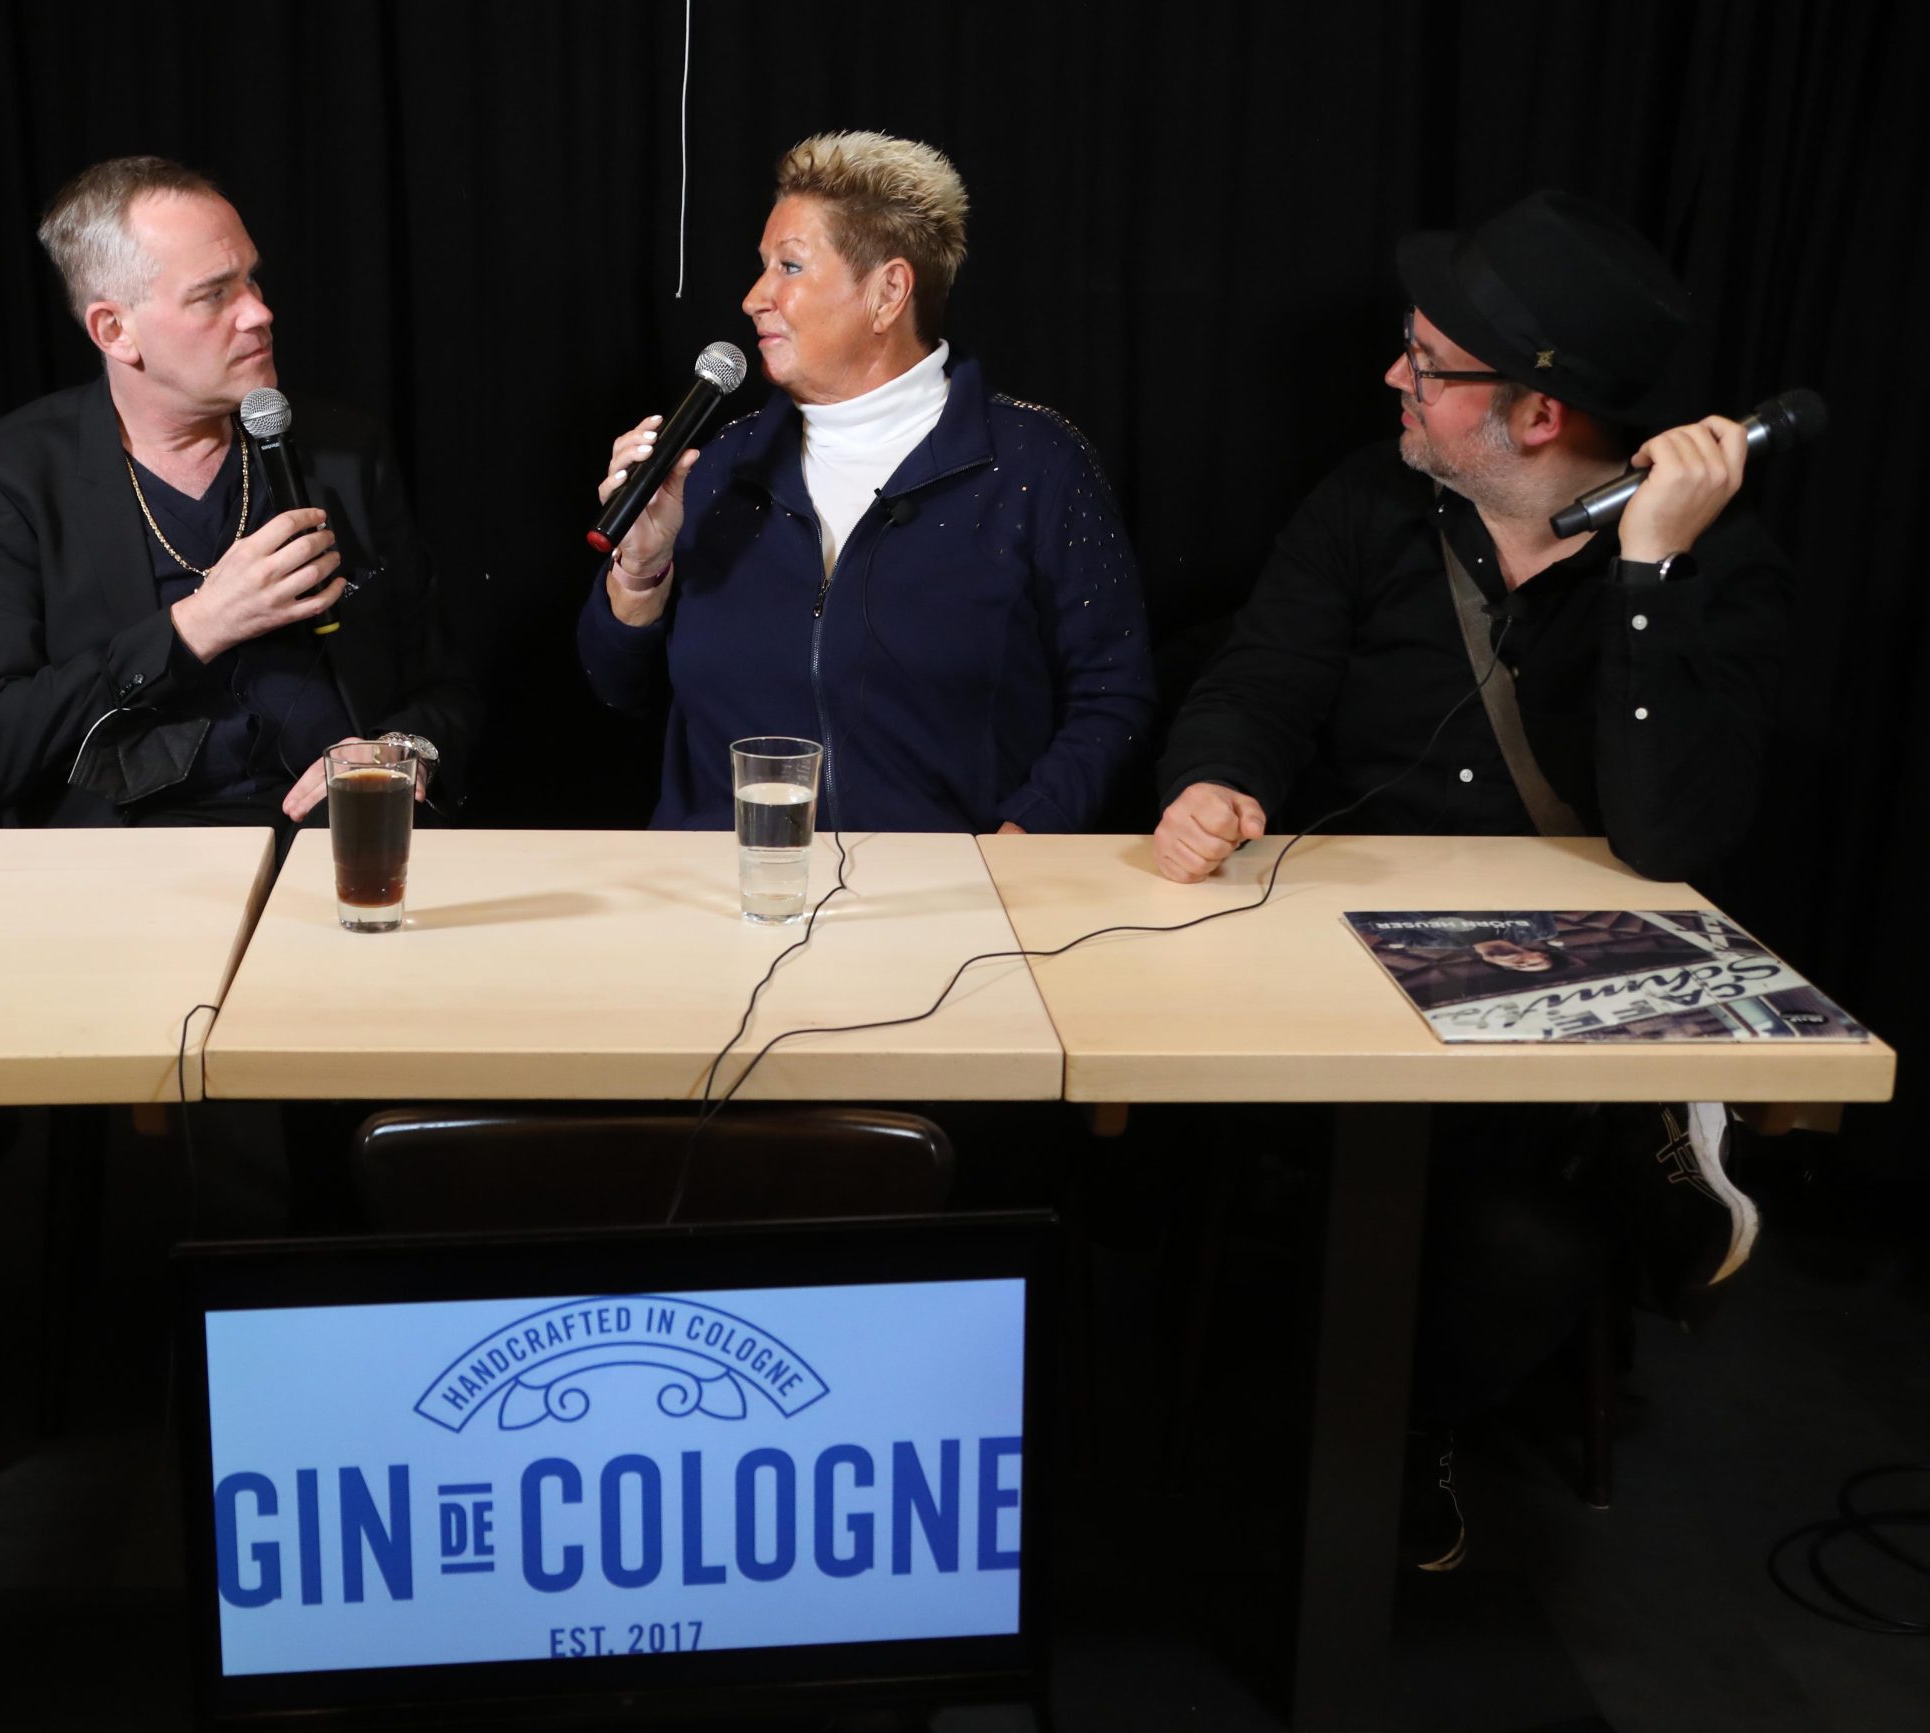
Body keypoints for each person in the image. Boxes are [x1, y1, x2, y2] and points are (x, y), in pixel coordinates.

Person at [1150, 189, 1788, 1569]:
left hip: (1557, 985)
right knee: (1271, 1169)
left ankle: (1402, 1429)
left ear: (1538, 414)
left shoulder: (1716, 572)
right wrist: (1213, 778)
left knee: (1520, 1237)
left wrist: (1647, 571)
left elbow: (1671, 835)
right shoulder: (1368, 501)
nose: (1395, 377)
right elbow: (1260, 678)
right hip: (1335, 959)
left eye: (1429, 365)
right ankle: (1651, 1143)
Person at [576, 131, 1153, 834]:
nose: (754, 297)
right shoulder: (719, 465)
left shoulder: (1037, 466)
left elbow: (1112, 696)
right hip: (726, 881)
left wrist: (1020, 839)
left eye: (790, 267)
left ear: (888, 293)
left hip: (946, 889)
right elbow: (619, 688)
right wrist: (640, 572)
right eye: (763, 267)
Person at [0, 155, 480, 837]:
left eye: (251, 279)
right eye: (214, 294)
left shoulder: (345, 451)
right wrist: (195, 627)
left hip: (342, 842)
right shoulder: (6, 480)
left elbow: (444, 688)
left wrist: (401, 750)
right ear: (114, 330)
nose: (259, 312)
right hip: (141, 865)